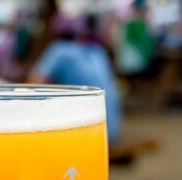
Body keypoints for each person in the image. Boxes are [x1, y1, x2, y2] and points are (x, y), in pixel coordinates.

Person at [30, 16, 123, 144]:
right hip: (109, 129)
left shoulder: (59, 50)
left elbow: (33, 84)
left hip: (86, 133)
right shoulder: (97, 51)